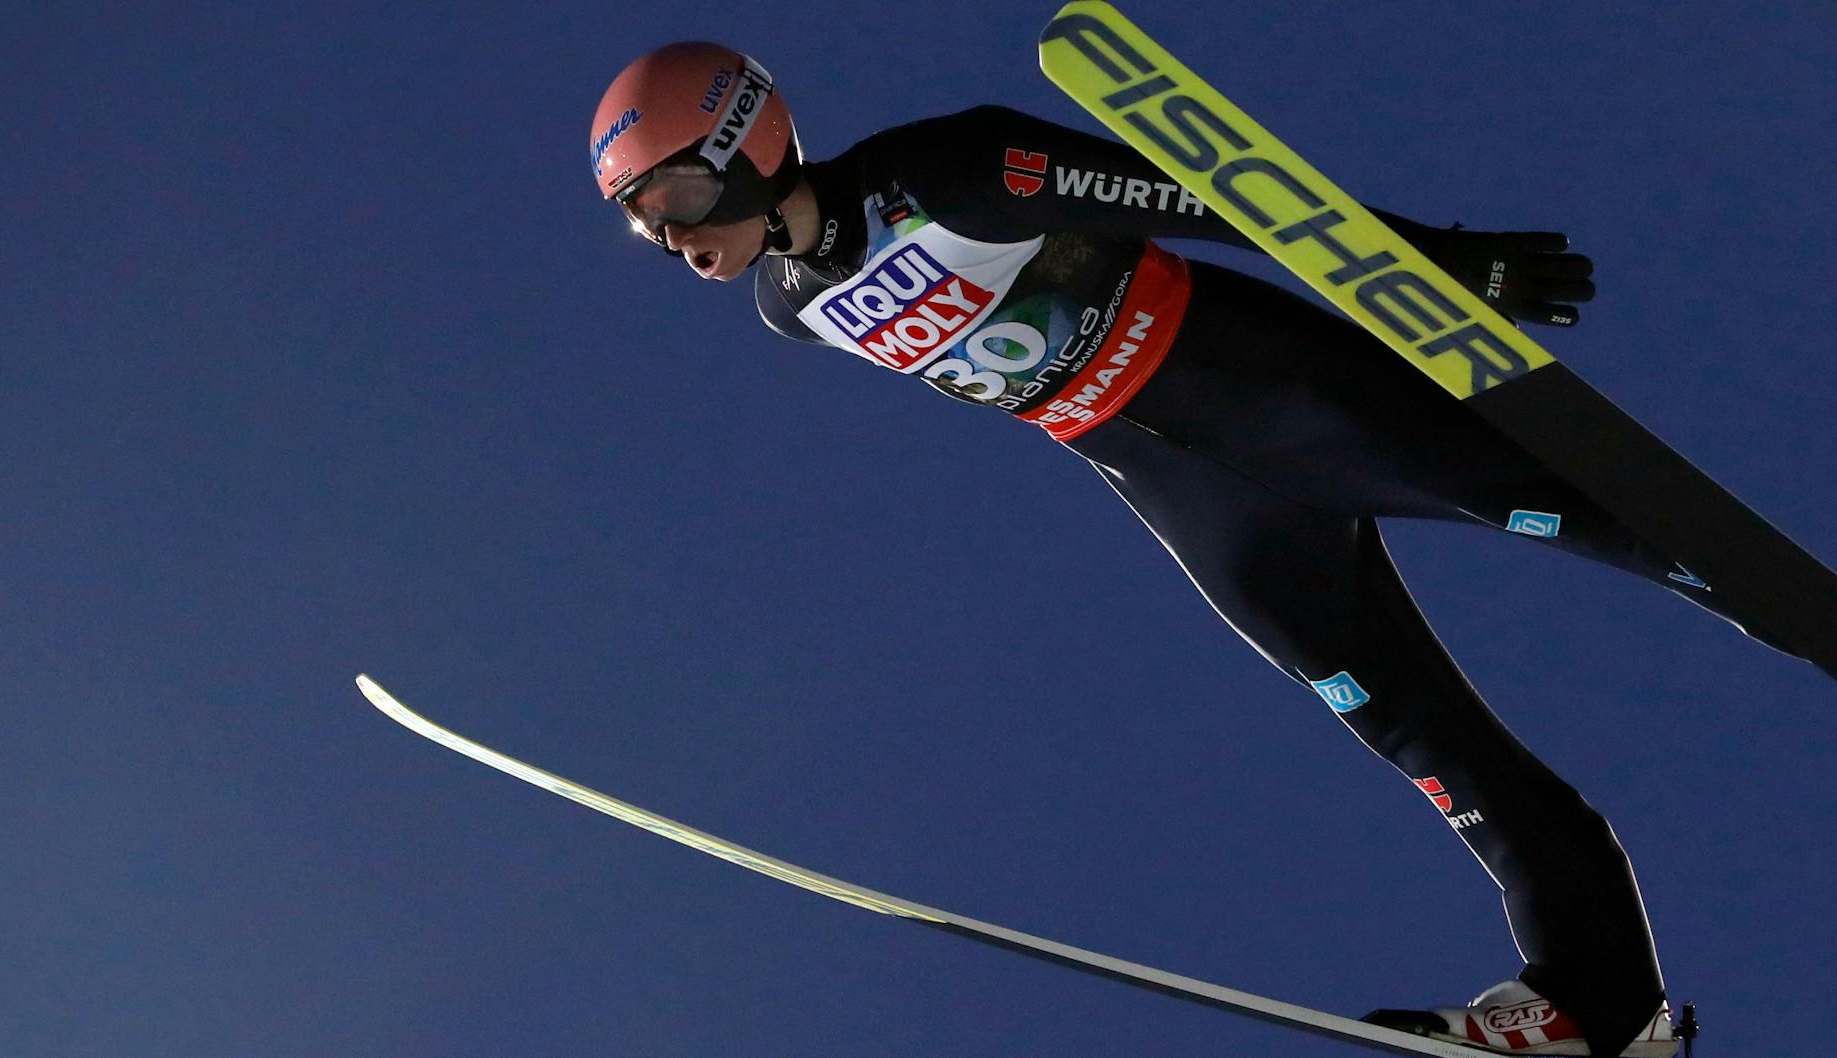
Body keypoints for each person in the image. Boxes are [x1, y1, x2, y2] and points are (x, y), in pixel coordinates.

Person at [584, 40, 1752, 1058]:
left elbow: (1211, 197)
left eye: (677, 198)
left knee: (1594, 512)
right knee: (1413, 731)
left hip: (1276, 390)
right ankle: (1599, 1006)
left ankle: (1782, 608)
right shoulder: (789, 305)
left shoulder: (943, 172)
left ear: (749, 142)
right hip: (1191, 499)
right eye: (645, 225)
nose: (674, 239)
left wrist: (1424, 256)